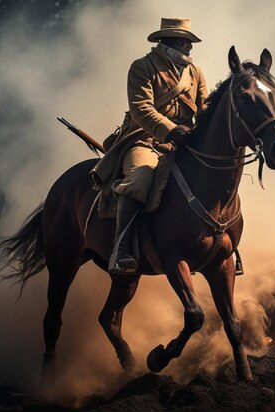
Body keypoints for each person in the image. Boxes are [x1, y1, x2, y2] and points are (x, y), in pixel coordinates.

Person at [91, 17, 208, 273]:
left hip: (184, 143)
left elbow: (204, 108)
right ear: (168, 42)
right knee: (139, 179)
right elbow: (141, 109)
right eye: (184, 42)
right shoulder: (142, 67)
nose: (189, 48)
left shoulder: (195, 72)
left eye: (189, 42)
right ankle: (121, 250)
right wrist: (170, 130)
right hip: (145, 140)